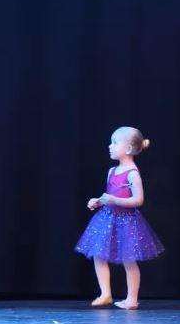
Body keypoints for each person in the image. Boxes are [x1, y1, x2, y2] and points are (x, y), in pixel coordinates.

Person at [75, 126, 164, 310]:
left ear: (129, 148)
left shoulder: (132, 173)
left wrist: (113, 199)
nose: (110, 146)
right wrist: (98, 201)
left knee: (128, 259)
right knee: (98, 256)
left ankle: (132, 299)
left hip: (127, 222)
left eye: (115, 143)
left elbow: (138, 200)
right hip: (107, 219)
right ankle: (105, 293)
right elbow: (109, 196)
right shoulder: (112, 171)